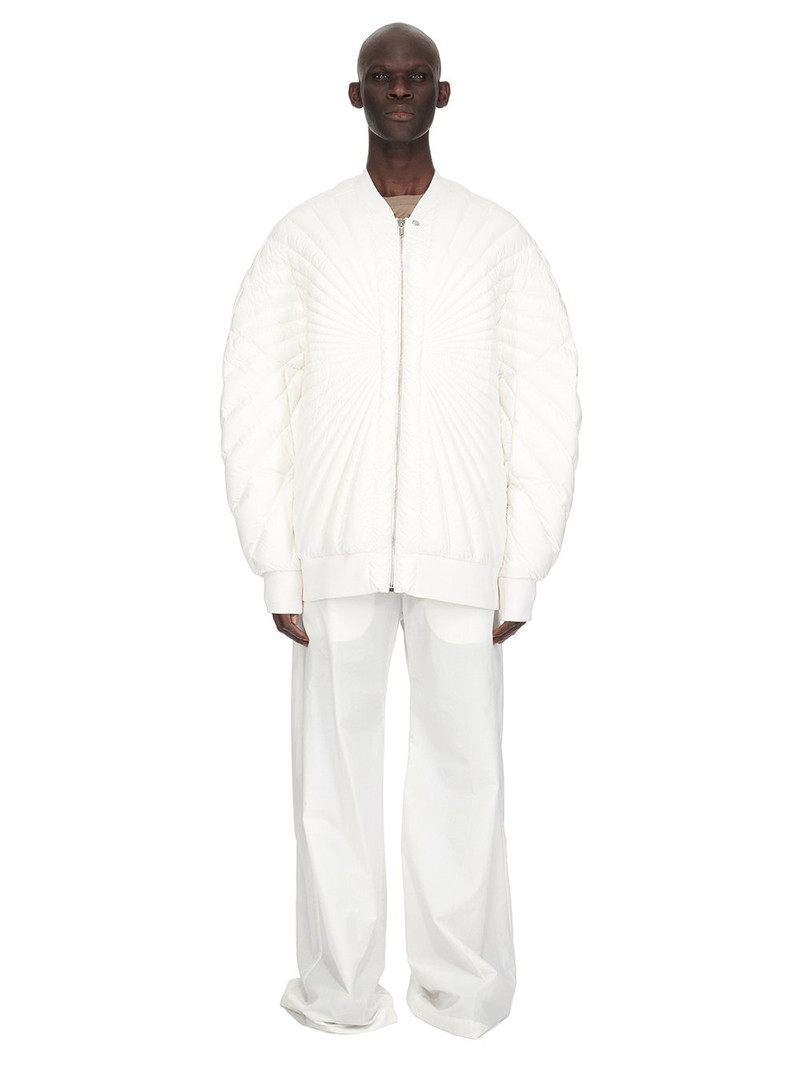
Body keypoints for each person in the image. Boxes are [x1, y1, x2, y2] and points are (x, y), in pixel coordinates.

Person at [219, 21, 582, 1039]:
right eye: (380, 76)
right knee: (330, 787)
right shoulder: (304, 239)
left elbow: (543, 402)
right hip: (330, 550)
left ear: (443, 94)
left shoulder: (496, 241)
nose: (398, 90)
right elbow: (253, 397)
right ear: (354, 95)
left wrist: (522, 565)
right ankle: (339, 990)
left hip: (463, 552)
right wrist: (275, 559)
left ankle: (461, 990)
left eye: (416, 76)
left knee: (465, 775)